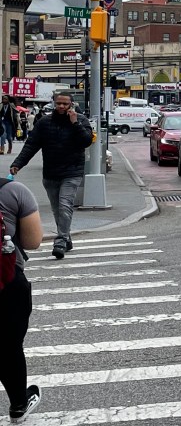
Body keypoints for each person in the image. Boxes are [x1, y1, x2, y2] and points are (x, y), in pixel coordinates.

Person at [10, 93, 93, 259]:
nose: (61, 107)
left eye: (65, 104)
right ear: (54, 104)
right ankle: (66, 238)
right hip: (51, 173)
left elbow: (86, 141)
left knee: (64, 206)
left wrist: (75, 123)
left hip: (72, 171)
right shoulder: (44, 122)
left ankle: (61, 240)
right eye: (59, 103)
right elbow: (31, 145)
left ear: (71, 105)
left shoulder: (81, 120)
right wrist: (18, 163)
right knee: (57, 210)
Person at [0, 177, 43, 423]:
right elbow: (32, 242)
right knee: (8, 346)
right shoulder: (13, 191)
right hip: (5, 283)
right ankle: (18, 403)